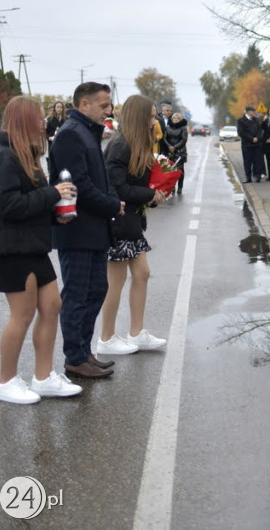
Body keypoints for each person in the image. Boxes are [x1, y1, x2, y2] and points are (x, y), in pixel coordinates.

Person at [0, 96, 82, 404]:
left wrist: (57, 213)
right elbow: (9, 206)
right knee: (22, 315)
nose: (43, 121)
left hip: (32, 245)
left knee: (52, 306)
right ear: (23, 121)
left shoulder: (27, 156)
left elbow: (34, 203)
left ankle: (44, 376)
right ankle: (5, 381)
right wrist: (52, 194)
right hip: (10, 248)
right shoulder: (5, 159)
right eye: (37, 117)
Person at [49, 82, 125, 379]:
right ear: (84, 105)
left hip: (93, 229)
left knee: (96, 289)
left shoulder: (86, 132)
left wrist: (110, 201)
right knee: (78, 294)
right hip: (77, 229)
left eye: (109, 105)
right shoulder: (70, 134)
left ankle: (84, 351)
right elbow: (77, 183)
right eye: (104, 105)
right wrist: (111, 205)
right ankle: (75, 358)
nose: (109, 110)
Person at [98, 94, 169, 356]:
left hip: (130, 220)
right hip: (117, 220)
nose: (154, 121)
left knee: (141, 274)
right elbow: (117, 187)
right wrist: (149, 195)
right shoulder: (120, 145)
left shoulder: (136, 143)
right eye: (151, 116)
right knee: (115, 281)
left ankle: (137, 333)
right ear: (139, 117)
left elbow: (136, 187)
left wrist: (153, 196)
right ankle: (106, 338)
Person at [237, 106, 264, 183]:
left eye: (254, 111)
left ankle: (257, 176)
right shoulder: (241, 121)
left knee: (257, 161)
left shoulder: (256, 120)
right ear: (247, 112)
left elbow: (260, 130)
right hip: (247, 144)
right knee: (247, 161)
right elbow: (241, 132)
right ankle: (248, 177)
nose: (254, 113)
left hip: (257, 144)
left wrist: (257, 138)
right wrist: (251, 138)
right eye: (252, 111)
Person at [163, 111, 188, 195]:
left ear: (180, 119)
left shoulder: (183, 128)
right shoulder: (167, 127)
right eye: (174, 118)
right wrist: (169, 146)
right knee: (170, 170)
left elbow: (184, 140)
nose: (176, 120)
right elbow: (164, 138)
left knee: (180, 171)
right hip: (169, 151)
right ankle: (172, 187)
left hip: (180, 152)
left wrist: (175, 147)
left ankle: (180, 187)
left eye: (178, 118)